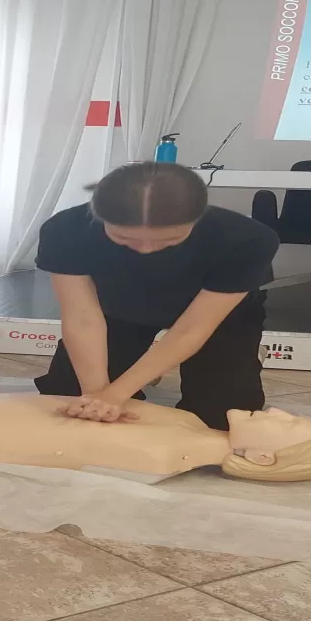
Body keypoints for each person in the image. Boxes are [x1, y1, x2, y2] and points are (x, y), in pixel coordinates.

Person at [34, 161, 279, 431]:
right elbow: (82, 318)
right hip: (118, 308)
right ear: (98, 216)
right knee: (67, 394)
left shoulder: (247, 239)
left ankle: (237, 356)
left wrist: (116, 394)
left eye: (168, 239)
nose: (146, 250)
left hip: (216, 319)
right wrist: (97, 396)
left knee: (223, 418)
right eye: (124, 237)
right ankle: (145, 367)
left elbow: (191, 329)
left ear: (197, 218)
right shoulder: (66, 230)